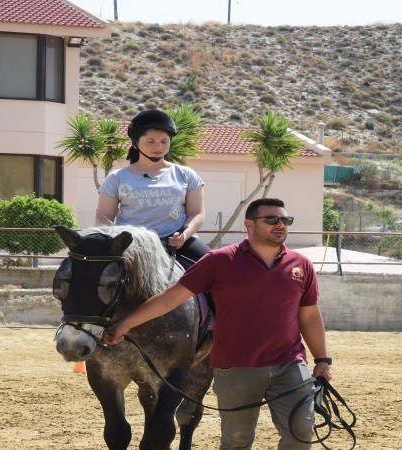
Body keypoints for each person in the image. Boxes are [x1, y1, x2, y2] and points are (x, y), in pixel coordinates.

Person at [104, 198, 332, 450]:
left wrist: (322, 359)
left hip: (289, 365)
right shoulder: (219, 261)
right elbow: (171, 298)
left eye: (285, 220)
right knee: (236, 441)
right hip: (236, 368)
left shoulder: (301, 265)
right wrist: (125, 324)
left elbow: (309, 315)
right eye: (271, 219)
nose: (280, 225)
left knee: (301, 432)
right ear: (249, 224)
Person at [96, 109, 209, 267]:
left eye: (164, 141)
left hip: (178, 242)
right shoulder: (116, 178)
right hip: (131, 244)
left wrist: (184, 235)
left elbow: (197, 213)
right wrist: (115, 244)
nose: (158, 146)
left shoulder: (187, 175)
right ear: (135, 142)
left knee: (217, 267)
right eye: (150, 141)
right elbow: (103, 218)